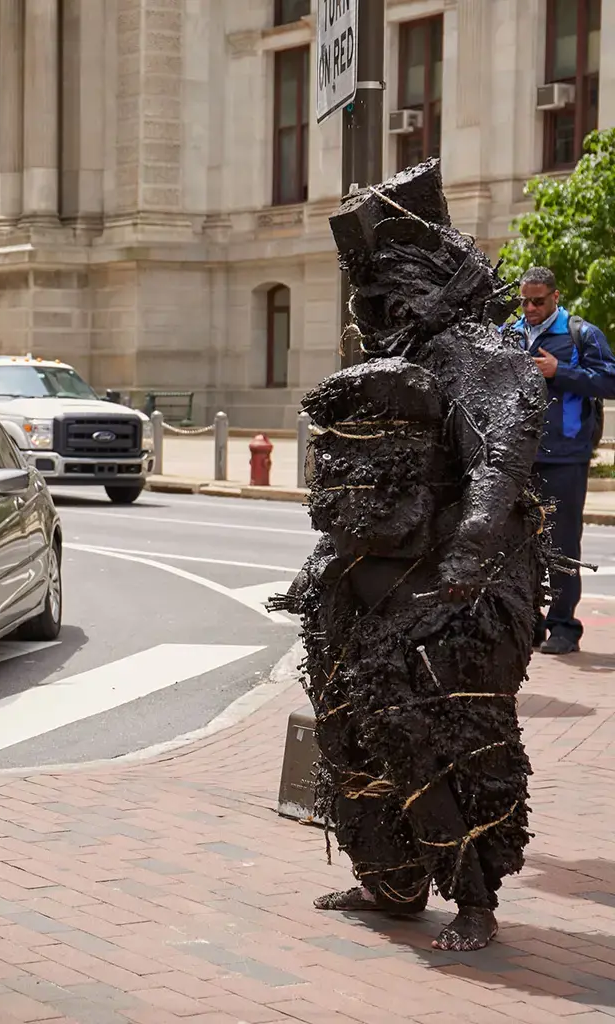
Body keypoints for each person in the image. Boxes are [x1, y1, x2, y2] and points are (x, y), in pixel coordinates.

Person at [272, 159, 548, 953]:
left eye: (389, 289)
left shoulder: (486, 360)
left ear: (430, 279)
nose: (376, 305)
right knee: (348, 725)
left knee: (438, 735)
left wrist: (464, 568)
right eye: (369, 291)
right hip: (372, 577)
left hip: (455, 595)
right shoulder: (396, 356)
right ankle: (388, 880)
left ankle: (473, 896)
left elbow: (497, 471)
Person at [511, 266, 615, 654]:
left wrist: (560, 371)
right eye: (525, 300)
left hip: (565, 455)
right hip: (517, 455)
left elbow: (609, 381)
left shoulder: (580, 334)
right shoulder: (512, 333)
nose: (530, 307)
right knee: (519, 543)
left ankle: (564, 626)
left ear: (556, 296)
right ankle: (530, 622)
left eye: (538, 300)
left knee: (562, 543)